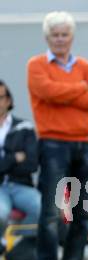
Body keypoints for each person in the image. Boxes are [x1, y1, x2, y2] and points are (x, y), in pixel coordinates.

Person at [27, 11, 88, 260]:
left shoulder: (83, 65)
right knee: (50, 210)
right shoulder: (36, 65)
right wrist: (80, 89)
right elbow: (47, 92)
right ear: (47, 37)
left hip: (83, 143)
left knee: (84, 210)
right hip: (52, 144)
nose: (60, 40)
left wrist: (65, 93)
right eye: (55, 35)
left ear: (71, 37)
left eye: (64, 34)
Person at [0, 80, 40, 250]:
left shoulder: (24, 127)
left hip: (21, 185)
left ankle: (17, 245)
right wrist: (14, 158)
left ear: (8, 100)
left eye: (0, 97)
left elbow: (32, 164)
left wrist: (4, 163)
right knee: (0, 213)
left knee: (43, 209)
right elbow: (21, 160)